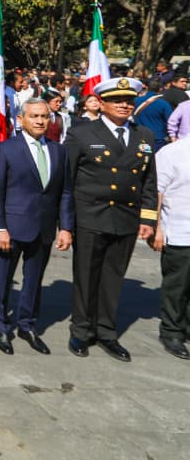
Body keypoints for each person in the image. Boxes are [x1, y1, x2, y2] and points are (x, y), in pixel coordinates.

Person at [65, 77, 158, 361]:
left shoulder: (144, 135)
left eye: (129, 101)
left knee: (113, 278)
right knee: (86, 277)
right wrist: (65, 224)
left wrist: (148, 219)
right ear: (102, 104)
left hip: (126, 218)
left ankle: (106, 332)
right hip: (91, 216)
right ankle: (81, 331)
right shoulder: (81, 133)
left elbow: (149, 181)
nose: (124, 105)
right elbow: (68, 181)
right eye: (117, 100)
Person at [0, 98, 75, 355]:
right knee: (2, 280)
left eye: (44, 116)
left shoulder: (59, 151)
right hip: (11, 228)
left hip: (44, 228)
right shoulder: (5, 150)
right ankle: (0, 326)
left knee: (34, 281)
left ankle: (27, 324)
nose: (39, 121)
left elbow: (65, 192)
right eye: (34, 116)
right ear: (21, 119)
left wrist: (66, 227)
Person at [152, 132, 190, 359]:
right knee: (177, 287)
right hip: (179, 231)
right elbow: (156, 191)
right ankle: (172, 332)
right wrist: (156, 227)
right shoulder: (173, 152)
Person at [133, 78, 173, 152]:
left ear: (147, 88)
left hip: (139, 135)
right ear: (160, 89)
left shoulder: (135, 101)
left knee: (143, 157)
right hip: (158, 137)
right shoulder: (163, 103)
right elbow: (170, 120)